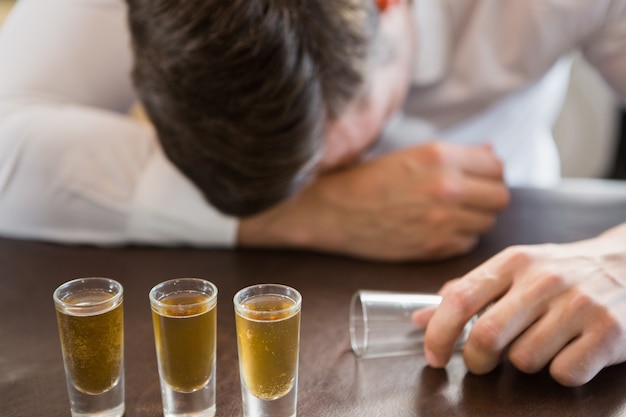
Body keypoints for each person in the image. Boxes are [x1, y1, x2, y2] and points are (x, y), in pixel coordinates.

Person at [0, 0, 624, 386]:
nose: (336, 176)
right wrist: (304, 214)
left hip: (514, 262)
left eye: (342, 153)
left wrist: (615, 266)